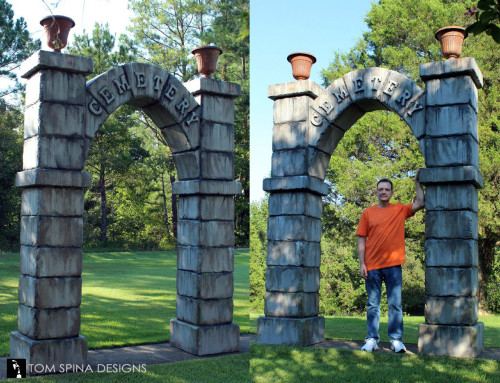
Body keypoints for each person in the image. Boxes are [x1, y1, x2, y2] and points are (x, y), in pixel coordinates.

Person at [356, 169, 425, 353]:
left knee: (395, 304)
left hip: (394, 266)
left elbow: (420, 202)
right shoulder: (367, 213)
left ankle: (396, 340)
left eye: (387, 189)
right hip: (372, 267)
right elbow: (361, 239)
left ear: (391, 193)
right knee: (372, 304)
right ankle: (371, 339)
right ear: (377, 192)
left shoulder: (400, 210)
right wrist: (362, 263)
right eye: (381, 189)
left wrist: (417, 182)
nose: (384, 192)